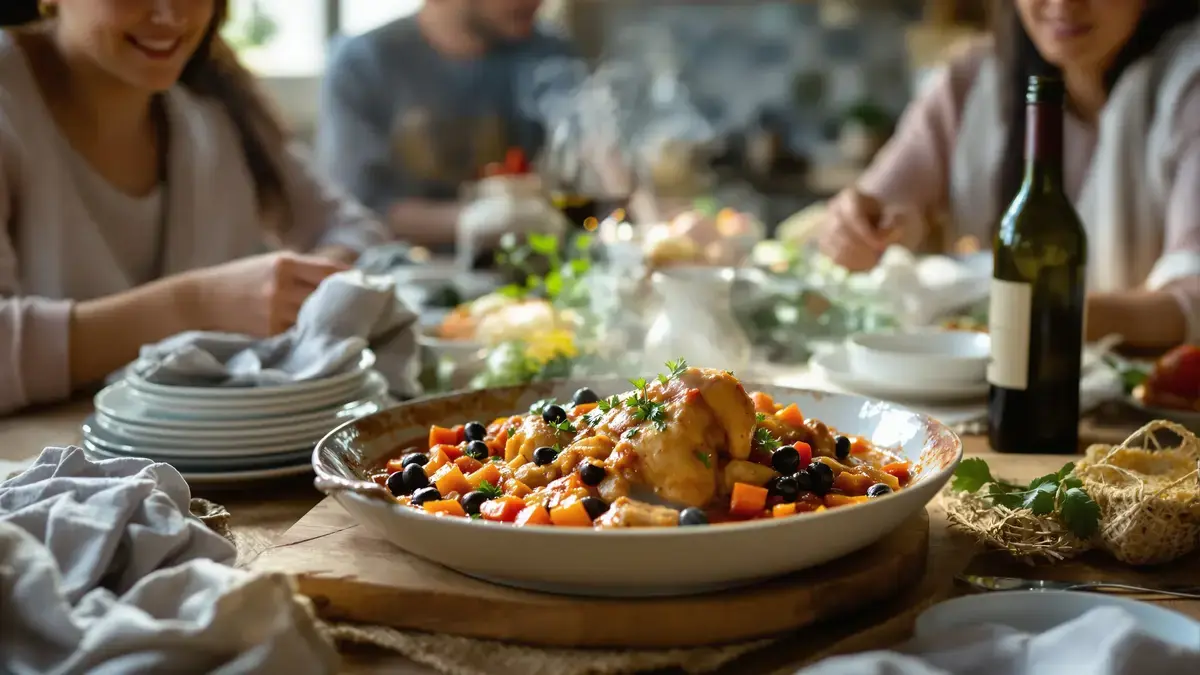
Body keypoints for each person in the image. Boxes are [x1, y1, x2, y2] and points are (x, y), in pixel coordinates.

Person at [0, 0, 391, 415]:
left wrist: (304, 288)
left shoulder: (215, 104)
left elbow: (356, 231)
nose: (170, 15)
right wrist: (196, 306)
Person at [817, 0, 1200, 349]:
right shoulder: (972, 78)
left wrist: (1039, 316)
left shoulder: (1189, 85)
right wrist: (858, 228)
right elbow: (884, 198)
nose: (1063, 4)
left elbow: (1193, 296)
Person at [315, 0, 576, 250]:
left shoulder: (546, 53)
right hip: (403, 274)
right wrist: (472, 220)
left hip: (524, 269)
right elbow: (357, 209)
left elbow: (591, 150)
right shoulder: (364, 62)